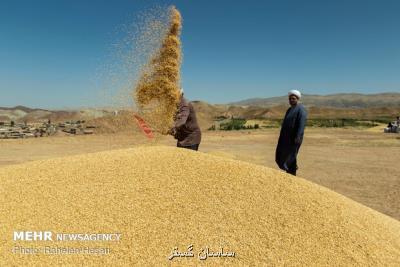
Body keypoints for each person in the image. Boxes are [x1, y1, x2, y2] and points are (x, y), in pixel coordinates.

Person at [275, 90, 307, 176]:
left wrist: (298, 137)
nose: (291, 100)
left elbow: (301, 124)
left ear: (297, 99)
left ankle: (292, 174)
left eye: (293, 98)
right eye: (290, 99)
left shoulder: (301, 109)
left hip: (294, 138)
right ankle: (289, 171)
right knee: (284, 154)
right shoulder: (289, 110)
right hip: (286, 138)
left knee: (291, 155)